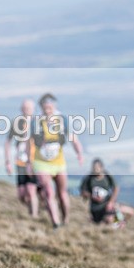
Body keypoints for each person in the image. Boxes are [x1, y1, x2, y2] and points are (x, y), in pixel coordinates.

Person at [31, 93, 83, 228]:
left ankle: (65, 219)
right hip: (41, 162)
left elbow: (73, 138)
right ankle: (55, 223)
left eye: (50, 107)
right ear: (41, 108)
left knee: (62, 193)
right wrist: (28, 162)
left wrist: (79, 153)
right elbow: (28, 142)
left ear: (54, 107)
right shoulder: (36, 122)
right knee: (49, 191)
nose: (47, 110)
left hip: (58, 163)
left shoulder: (62, 120)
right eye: (45, 107)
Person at [4, 99, 39, 218]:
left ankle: (34, 216)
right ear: (21, 109)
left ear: (33, 110)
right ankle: (31, 208)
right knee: (22, 195)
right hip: (20, 162)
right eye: (25, 108)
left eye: (29, 108)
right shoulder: (16, 123)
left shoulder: (37, 123)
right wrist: (7, 162)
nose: (27, 110)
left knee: (31, 190)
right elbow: (7, 142)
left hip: (34, 162)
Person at [80, 158, 134, 228]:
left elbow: (116, 188)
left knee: (129, 212)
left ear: (101, 167)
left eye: (97, 168)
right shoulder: (89, 178)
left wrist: (111, 202)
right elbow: (83, 192)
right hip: (96, 208)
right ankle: (111, 224)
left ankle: (120, 223)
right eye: (93, 168)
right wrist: (92, 196)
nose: (95, 170)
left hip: (108, 204)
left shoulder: (107, 176)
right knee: (109, 220)